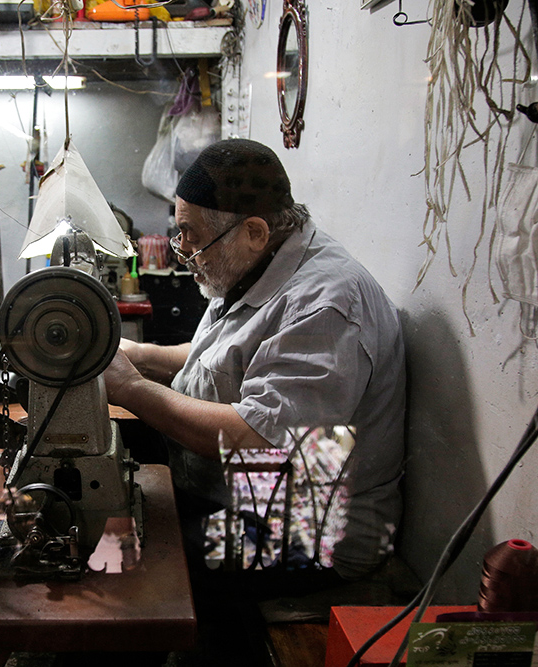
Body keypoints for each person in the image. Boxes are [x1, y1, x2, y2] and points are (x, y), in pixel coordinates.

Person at [104, 139, 406, 582]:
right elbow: (229, 357)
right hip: (239, 497)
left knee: (126, 553)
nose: (182, 249)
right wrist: (142, 357)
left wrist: (132, 389)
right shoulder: (254, 262)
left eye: (193, 235)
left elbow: (260, 437)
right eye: (179, 230)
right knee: (119, 509)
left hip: (304, 535)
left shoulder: (325, 306)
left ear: (254, 232)